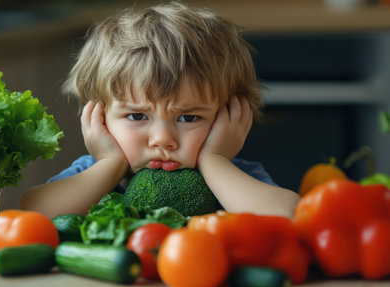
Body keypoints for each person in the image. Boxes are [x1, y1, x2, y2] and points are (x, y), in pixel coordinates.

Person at [21, 2, 300, 219]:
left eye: (188, 117)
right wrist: (109, 162)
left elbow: (292, 217)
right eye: (138, 116)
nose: (162, 139)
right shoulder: (94, 172)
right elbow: (33, 212)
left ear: (232, 115)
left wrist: (215, 160)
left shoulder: (235, 175)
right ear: (99, 118)